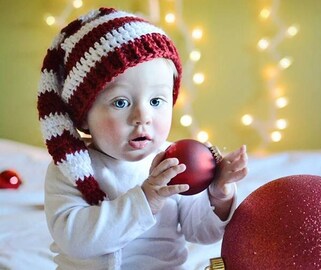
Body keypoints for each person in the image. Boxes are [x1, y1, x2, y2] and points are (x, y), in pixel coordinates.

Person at [37, 7, 248, 270]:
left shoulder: (174, 161)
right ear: (82, 118)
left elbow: (202, 234)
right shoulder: (69, 168)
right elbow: (75, 240)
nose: (142, 116)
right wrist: (146, 200)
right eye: (121, 102)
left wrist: (219, 194)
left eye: (157, 100)